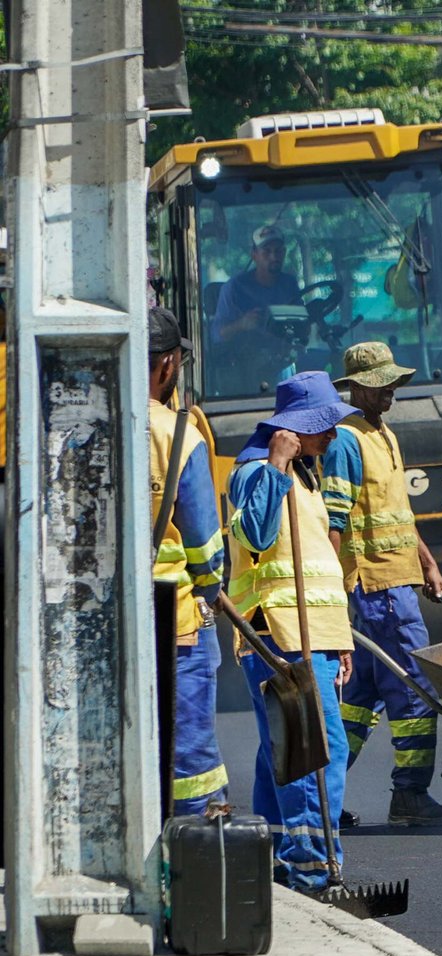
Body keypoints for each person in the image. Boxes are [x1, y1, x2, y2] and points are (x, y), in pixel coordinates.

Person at [323, 342, 442, 829]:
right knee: (416, 692)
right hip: (378, 589)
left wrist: (426, 563)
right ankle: (411, 796)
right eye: (381, 384)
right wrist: (332, 591)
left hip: (398, 581)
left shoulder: (384, 434)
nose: (390, 391)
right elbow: (335, 518)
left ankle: (320, 797)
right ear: (358, 387)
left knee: (361, 699)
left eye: (391, 383)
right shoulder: (346, 440)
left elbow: (400, 516)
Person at [227, 371, 357, 893]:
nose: (333, 434)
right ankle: (310, 866)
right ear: (295, 429)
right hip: (278, 636)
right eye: (325, 424)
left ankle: (278, 859)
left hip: (313, 637)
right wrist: (277, 464)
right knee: (315, 750)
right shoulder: (257, 470)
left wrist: (338, 638)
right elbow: (256, 534)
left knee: (280, 753)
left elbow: (319, 563)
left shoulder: (305, 476)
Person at [148, 305, 229, 816]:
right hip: (173, 619)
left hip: (103, 620)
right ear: (168, 366)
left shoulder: (81, 423)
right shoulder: (179, 434)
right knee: (189, 754)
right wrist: (209, 588)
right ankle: (194, 853)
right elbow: (203, 544)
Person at [210, 224, 302, 392]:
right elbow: (217, 334)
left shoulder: (290, 284)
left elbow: (301, 323)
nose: (273, 256)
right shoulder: (234, 288)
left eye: (278, 251)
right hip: (244, 371)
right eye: (266, 251)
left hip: (284, 362)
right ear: (254, 255)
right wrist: (241, 324)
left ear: (284, 252)